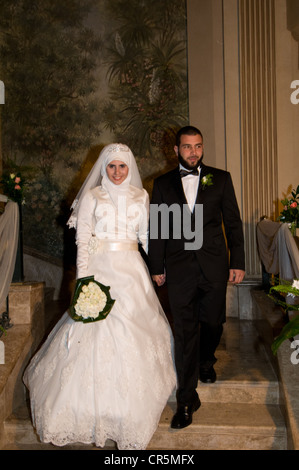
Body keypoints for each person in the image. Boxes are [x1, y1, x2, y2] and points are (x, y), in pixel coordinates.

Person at [23, 143, 176, 450]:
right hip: (100, 269)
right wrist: (83, 280)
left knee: (134, 330)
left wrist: (160, 267)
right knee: (95, 331)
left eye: (122, 167)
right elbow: (83, 240)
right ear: (103, 169)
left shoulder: (141, 196)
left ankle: (127, 410)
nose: (117, 172)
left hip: (132, 273)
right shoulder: (92, 197)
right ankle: (85, 409)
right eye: (111, 167)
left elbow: (146, 236)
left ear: (129, 167)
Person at [148, 126, 245, 430]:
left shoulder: (221, 178)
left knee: (214, 321)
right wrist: (157, 266)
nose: (193, 152)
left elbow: (233, 224)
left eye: (198, 146)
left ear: (203, 148)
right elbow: (159, 228)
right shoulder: (163, 184)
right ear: (176, 150)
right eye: (187, 147)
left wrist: (238, 262)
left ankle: (207, 359)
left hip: (214, 265)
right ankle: (187, 400)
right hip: (179, 270)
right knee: (185, 332)